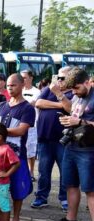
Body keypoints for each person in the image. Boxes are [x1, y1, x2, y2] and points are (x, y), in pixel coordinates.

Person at [48, 68, 94, 221]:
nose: (74, 92)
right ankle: (71, 220)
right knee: (70, 184)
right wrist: (68, 118)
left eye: (76, 88)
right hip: (71, 145)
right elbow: (71, 109)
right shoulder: (77, 96)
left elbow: (81, 119)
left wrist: (81, 121)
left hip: (89, 150)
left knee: (90, 190)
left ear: (87, 82)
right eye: (72, 89)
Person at [0, 73, 35, 221]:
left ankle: (15, 219)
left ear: (22, 85)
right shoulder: (0, 106)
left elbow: (21, 130)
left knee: (17, 190)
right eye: (8, 85)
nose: (9, 87)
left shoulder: (28, 108)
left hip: (17, 157)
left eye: (13, 85)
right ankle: (2, 219)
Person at [31, 66, 73, 212]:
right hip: (45, 138)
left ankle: (65, 199)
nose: (59, 80)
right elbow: (38, 103)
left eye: (63, 78)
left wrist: (59, 95)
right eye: (58, 77)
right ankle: (41, 197)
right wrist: (60, 104)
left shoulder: (74, 93)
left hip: (64, 140)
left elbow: (71, 108)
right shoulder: (49, 89)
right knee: (43, 171)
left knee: (65, 171)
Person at [21, 70, 41, 181]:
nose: (23, 80)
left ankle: (31, 172)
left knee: (31, 149)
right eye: (21, 78)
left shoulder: (37, 91)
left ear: (31, 78)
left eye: (25, 77)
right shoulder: (19, 89)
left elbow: (35, 103)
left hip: (32, 124)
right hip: (19, 123)